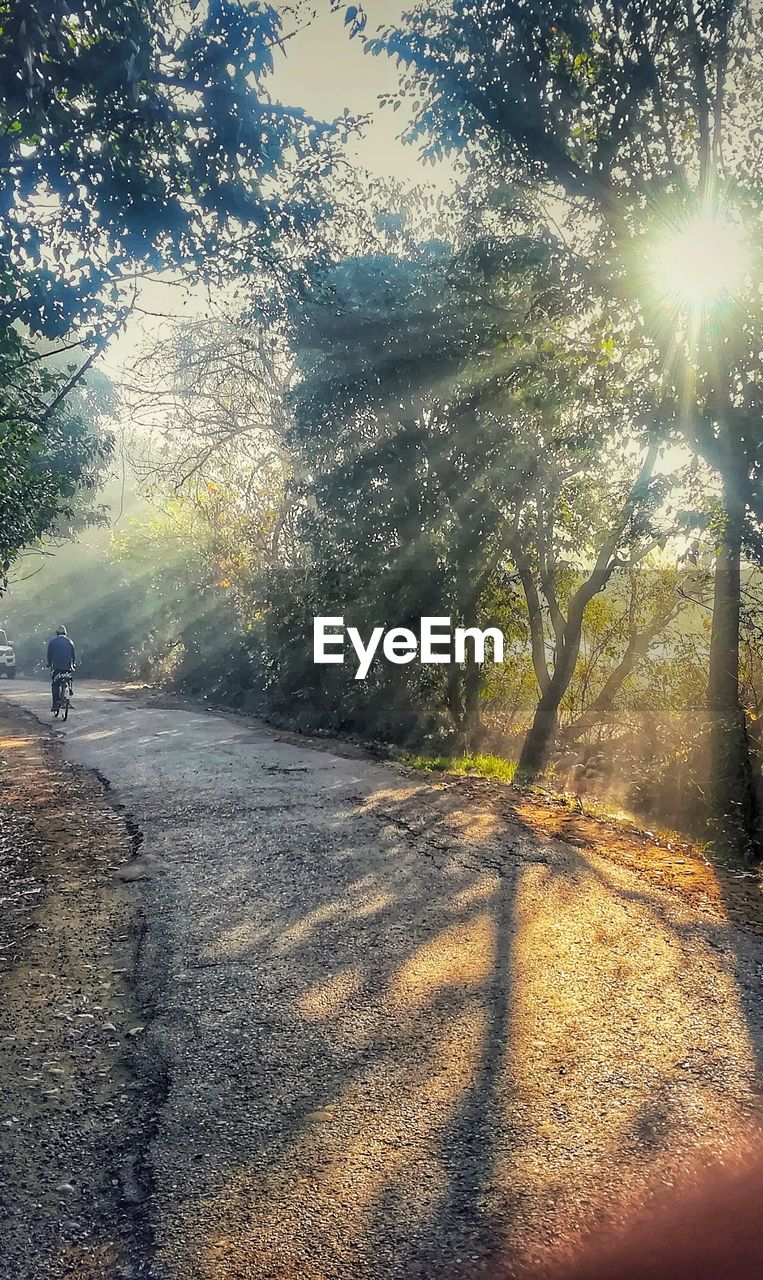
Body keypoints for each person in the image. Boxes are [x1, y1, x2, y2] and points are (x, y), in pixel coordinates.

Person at [46, 625, 76, 712]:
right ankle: (69, 692)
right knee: (69, 679)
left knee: (55, 685)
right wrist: (73, 665)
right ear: (65, 633)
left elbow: (49, 655)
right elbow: (73, 656)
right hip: (67, 668)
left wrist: (49, 664)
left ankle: (55, 704)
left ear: (57, 633)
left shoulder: (52, 642)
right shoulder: (70, 642)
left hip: (57, 668)